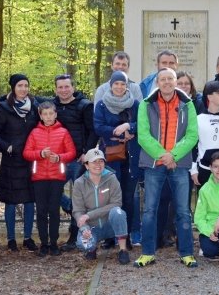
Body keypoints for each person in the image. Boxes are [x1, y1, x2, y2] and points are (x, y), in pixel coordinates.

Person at [133, 68, 199, 268]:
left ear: (175, 81)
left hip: (179, 163)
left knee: (183, 211)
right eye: (163, 79)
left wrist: (174, 155)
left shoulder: (188, 104)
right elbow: (143, 136)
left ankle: (187, 253)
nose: (167, 82)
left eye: (170, 78)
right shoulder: (146, 104)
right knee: (149, 210)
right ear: (157, 82)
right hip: (154, 164)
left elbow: (192, 135)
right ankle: (147, 253)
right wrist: (164, 155)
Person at [23, 101, 76, 256]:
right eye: (45, 114)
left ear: (55, 114)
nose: (48, 117)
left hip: (56, 177)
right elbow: (26, 153)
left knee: (54, 211)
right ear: (40, 116)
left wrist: (59, 157)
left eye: (51, 113)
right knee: (41, 211)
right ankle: (43, 243)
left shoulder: (63, 132)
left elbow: (72, 152)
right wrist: (40, 154)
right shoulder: (34, 133)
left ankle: (53, 243)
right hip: (39, 177)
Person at [0, 74, 38, 252]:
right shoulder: (4, 108)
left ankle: (28, 237)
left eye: (26, 85)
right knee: (10, 201)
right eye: (20, 85)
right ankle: (11, 238)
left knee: (30, 200)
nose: (23, 89)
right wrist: (7, 146)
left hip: (30, 160)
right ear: (13, 88)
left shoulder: (34, 107)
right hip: (11, 160)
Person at [51, 74, 96, 252]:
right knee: (53, 191)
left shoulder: (84, 106)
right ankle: (70, 209)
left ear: (73, 88)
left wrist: (86, 152)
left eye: (66, 86)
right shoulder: (51, 106)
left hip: (78, 159)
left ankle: (74, 236)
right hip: (57, 159)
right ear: (55, 89)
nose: (63, 90)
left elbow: (93, 131)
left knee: (78, 197)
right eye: (60, 87)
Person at [93, 71, 139, 242]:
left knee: (128, 197)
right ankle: (109, 237)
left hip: (131, 156)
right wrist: (117, 132)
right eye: (116, 84)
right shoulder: (102, 104)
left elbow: (143, 123)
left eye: (122, 84)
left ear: (127, 86)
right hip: (111, 157)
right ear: (111, 85)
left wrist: (129, 127)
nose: (119, 87)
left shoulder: (134, 104)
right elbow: (98, 126)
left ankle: (125, 237)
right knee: (110, 197)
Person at [72, 148, 130, 265]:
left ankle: (123, 250)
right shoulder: (79, 183)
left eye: (101, 161)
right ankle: (92, 248)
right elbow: (78, 211)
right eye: (94, 162)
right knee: (84, 245)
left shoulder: (111, 178)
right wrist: (84, 229)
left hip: (110, 224)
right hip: (92, 226)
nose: (98, 165)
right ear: (86, 165)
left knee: (118, 212)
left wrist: (89, 215)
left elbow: (116, 203)